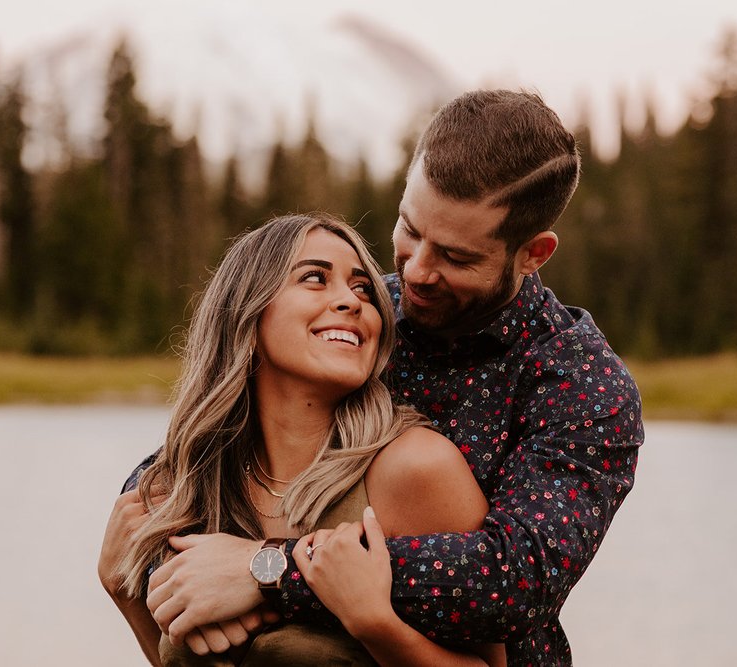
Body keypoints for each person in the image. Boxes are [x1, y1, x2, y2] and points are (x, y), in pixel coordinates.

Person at [119, 89, 644, 666]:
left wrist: (268, 571)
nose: (416, 271)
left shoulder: (579, 383)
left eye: (457, 257)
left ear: (534, 254)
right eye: (409, 228)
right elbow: (182, 467)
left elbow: (513, 580)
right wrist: (149, 567)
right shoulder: (364, 321)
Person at [99, 213, 506, 666]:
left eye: (362, 289)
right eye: (314, 278)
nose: (351, 302)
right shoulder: (189, 489)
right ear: (247, 317)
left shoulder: (414, 467)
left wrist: (374, 623)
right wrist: (124, 592)